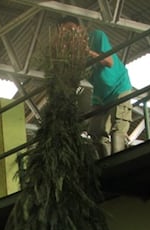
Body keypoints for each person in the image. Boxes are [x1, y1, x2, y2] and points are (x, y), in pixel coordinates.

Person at [59, 17, 133, 158]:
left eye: (70, 30)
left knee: (118, 127)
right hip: (100, 93)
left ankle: (120, 162)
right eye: (65, 33)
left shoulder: (96, 36)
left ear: (79, 29)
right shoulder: (75, 56)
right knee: (95, 131)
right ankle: (104, 164)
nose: (69, 35)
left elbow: (109, 62)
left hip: (118, 86)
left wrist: (87, 51)